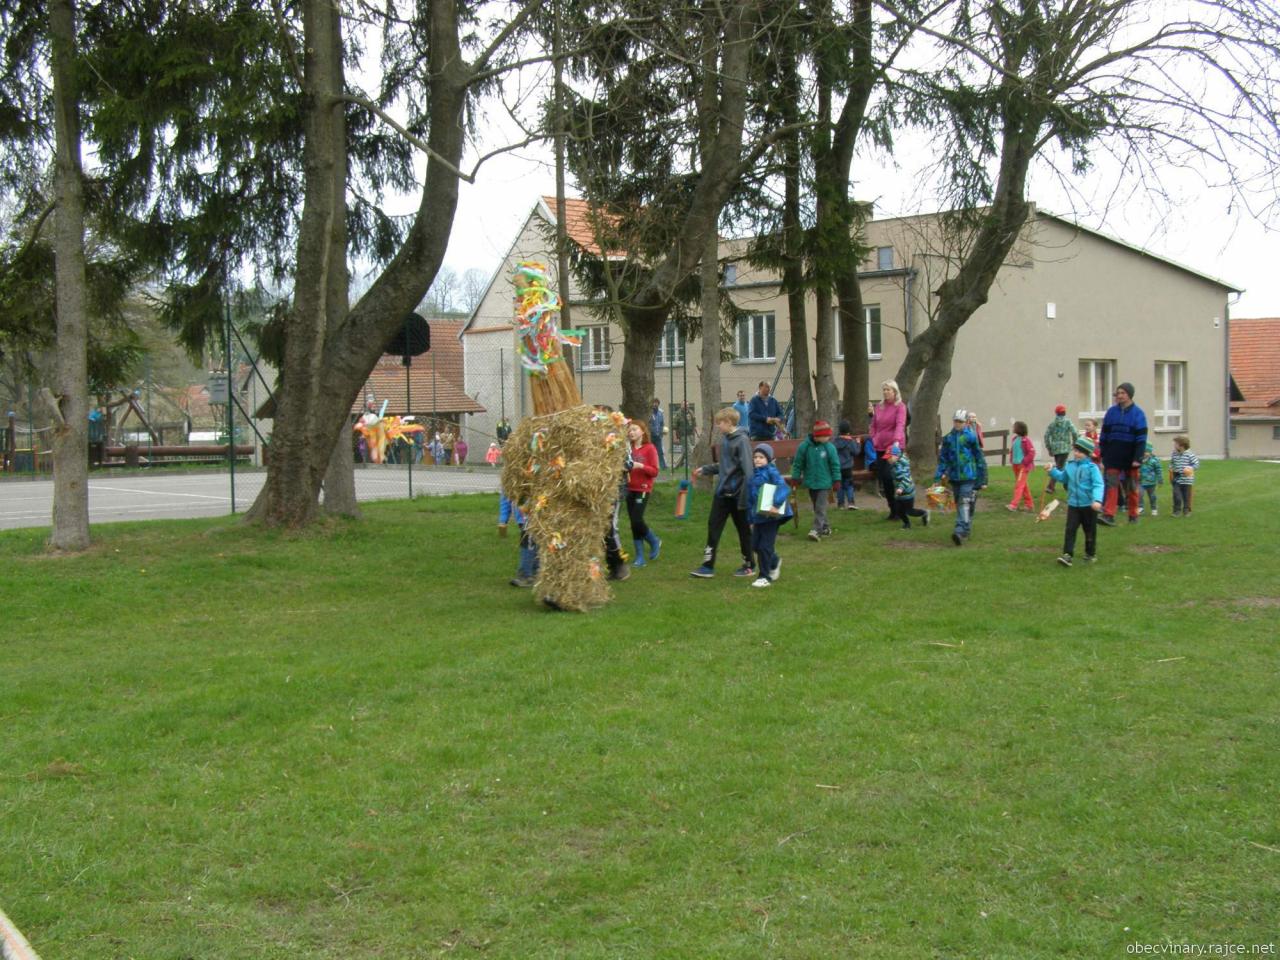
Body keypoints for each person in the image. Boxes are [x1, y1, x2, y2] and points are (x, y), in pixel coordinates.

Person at [690, 408, 755, 579]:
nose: (718, 426)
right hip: (722, 493)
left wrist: (745, 498)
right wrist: (706, 469)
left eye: (720, 423)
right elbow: (725, 466)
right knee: (713, 526)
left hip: (738, 495)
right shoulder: (726, 439)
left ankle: (749, 565)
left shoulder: (742, 441)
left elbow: (748, 471)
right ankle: (707, 566)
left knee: (743, 530)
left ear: (729, 422)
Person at [1044, 435, 1105, 567]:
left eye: (1080, 452)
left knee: (1089, 531)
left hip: (1089, 506)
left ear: (1087, 454)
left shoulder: (1092, 468)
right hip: (1073, 505)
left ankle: (1090, 553)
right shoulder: (1070, 466)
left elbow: (1098, 485)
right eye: (1076, 451)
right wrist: (1052, 471)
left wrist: (1097, 500)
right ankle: (1067, 555)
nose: (1077, 454)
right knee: (1070, 529)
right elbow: (1063, 478)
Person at [934, 408, 988, 546]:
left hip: (969, 476)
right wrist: (938, 476)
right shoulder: (948, 438)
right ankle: (966, 528)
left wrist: (983, 478)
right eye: (956, 421)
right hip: (954, 477)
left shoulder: (971, 437)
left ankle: (959, 530)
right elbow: (943, 458)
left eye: (960, 422)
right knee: (960, 503)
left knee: (964, 502)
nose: (958, 424)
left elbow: (979, 457)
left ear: (966, 422)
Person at [1098, 382, 1148, 526]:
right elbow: (1104, 434)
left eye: (1123, 393)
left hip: (1130, 457)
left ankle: (1133, 515)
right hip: (1113, 455)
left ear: (1129, 395)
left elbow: (1141, 438)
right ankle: (1109, 515)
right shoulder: (1111, 412)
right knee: (1112, 485)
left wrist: (1137, 458)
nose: (1119, 396)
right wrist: (1103, 453)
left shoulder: (1138, 414)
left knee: (1131, 487)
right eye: (1118, 393)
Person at [746, 443, 793, 588]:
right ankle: (774, 561)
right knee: (755, 545)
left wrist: (776, 504)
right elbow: (750, 498)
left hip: (772, 516)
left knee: (765, 546)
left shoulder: (772, 472)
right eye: (755, 457)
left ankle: (764, 577)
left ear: (769, 459)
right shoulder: (752, 475)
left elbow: (783, 488)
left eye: (761, 457)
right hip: (758, 517)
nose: (757, 460)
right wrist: (750, 518)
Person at [792, 419, 840, 541]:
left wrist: (837, 480)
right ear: (818, 436)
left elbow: (835, 465)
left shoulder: (830, 448)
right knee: (817, 506)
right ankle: (826, 527)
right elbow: (798, 464)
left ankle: (816, 530)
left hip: (825, 483)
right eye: (826, 436)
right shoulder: (804, 447)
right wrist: (795, 477)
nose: (829, 438)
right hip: (811, 482)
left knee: (820, 507)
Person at [869, 379, 908, 519]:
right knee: (884, 478)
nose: (885, 392)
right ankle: (892, 509)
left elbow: (900, 424)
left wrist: (896, 441)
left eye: (888, 390)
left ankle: (900, 508)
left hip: (894, 447)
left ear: (894, 391)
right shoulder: (879, 407)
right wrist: (874, 438)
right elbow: (873, 425)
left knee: (891, 476)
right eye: (884, 390)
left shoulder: (900, 407)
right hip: (879, 446)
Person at [625, 421, 662, 567]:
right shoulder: (627, 449)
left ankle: (654, 540)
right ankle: (640, 557)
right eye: (629, 430)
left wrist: (640, 466)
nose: (631, 432)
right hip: (629, 488)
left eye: (634, 429)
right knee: (633, 523)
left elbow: (655, 471)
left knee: (637, 520)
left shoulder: (650, 448)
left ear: (642, 431)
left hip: (643, 489)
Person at [500, 493, 540, 587]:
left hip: (534, 518)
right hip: (522, 520)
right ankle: (536, 574)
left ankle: (526, 576)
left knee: (528, 545)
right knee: (532, 545)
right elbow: (506, 500)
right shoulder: (510, 485)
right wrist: (503, 520)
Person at [886, 444, 929, 529]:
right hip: (900, 492)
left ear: (896, 456)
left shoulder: (901, 467)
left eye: (890, 457)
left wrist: (901, 488)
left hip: (907, 492)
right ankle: (907, 524)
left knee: (909, 511)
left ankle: (924, 513)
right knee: (899, 510)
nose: (888, 459)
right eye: (887, 457)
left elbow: (906, 479)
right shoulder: (895, 463)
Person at [1043, 404, 1078, 493]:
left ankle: (1065, 483)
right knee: (1059, 466)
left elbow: (1046, 436)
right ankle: (1051, 487)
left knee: (1060, 465)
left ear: (1056, 413)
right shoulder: (1068, 422)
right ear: (1064, 412)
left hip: (1055, 449)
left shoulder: (1052, 424)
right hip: (1065, 448)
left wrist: (1049, 448)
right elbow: (1074, 432)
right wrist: (1075, 443)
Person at [1006, 420, 1036, 512]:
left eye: (1014, 426)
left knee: (1019, 485)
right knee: (1023, 485)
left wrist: (1024, 462)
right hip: (1015, 466)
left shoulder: (1026, 440)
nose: (1013, 428)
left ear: (1019, 429)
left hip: (1023, 466)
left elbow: (1032, 453)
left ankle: (1014, 505)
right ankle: (1029, 505)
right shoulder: (1015, 439)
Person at [833, 420, 861, 510]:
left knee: (840, 485)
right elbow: (856, 452)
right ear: (848, 431)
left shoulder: (835, 441)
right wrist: (858, 443)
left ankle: (840, 504)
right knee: (849, 485)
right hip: (848, 468)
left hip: (837, 467)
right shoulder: (850, 441)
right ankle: (851, 502)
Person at [1169, 435, 1200, 516]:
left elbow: (1196, 464)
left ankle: (1187, 510)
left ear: (1181, 445)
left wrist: (1190, 468)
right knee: (1176, 495)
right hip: (1177, 478)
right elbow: (1172, 462)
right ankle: (1177, 511)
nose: (1174, 445)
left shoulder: (1190, 454)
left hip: (1187, 480)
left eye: (1176, 443)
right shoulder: (1174, 453)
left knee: (1186, 497)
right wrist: (1171, 468)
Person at [1138, 442, 1163, 515]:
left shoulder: (1154, 460)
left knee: (1152, 496)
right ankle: (1140, 507)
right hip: (1141, 482)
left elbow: (1159, 470)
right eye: (1143, 451)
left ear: (1150, 452)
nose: (1144, 453)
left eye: (1146, 451)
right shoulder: (1139, 460)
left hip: (1151, 482)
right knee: (1140, 494)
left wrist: (1160, 480)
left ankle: (1154, 508)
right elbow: (1137, 469)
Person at [648, 398, 667, 470]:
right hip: (651, 435)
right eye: (654, 403)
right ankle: (650, 465)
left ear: (658, 404)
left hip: (658, 435)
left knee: (660, 451)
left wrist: (661, 432)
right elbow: (648, 423)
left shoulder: (660, 413)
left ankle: (663, 466)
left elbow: (662, 423)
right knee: (650, 451)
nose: (655, 404)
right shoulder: (649, 413)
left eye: (656, 403)